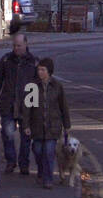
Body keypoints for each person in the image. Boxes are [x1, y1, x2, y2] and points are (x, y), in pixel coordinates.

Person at [0, 25, 38, 174]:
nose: (16, 48)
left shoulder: (34, 62)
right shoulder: (6, 60)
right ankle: (11, 162)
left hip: (27, 105)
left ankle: (24, 164)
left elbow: (37, 86)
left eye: (19, 45)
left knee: (26, 136)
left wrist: (36, 106)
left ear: (26, 44)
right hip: (8, 103)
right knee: (7, 134)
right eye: (14, 45)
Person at [28, 56, 71, 188]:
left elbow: (64, 106)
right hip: (37, 127)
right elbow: (27, 108)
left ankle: (48, 179)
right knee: (38, 150)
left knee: (49, 152)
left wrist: (67, 125)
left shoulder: (58, 86)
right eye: (38, 69)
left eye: (42, 70)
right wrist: (25, 125)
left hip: (53, 127)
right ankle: (41, 171)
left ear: (49, 71)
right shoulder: (33, 86)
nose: (39, 72)